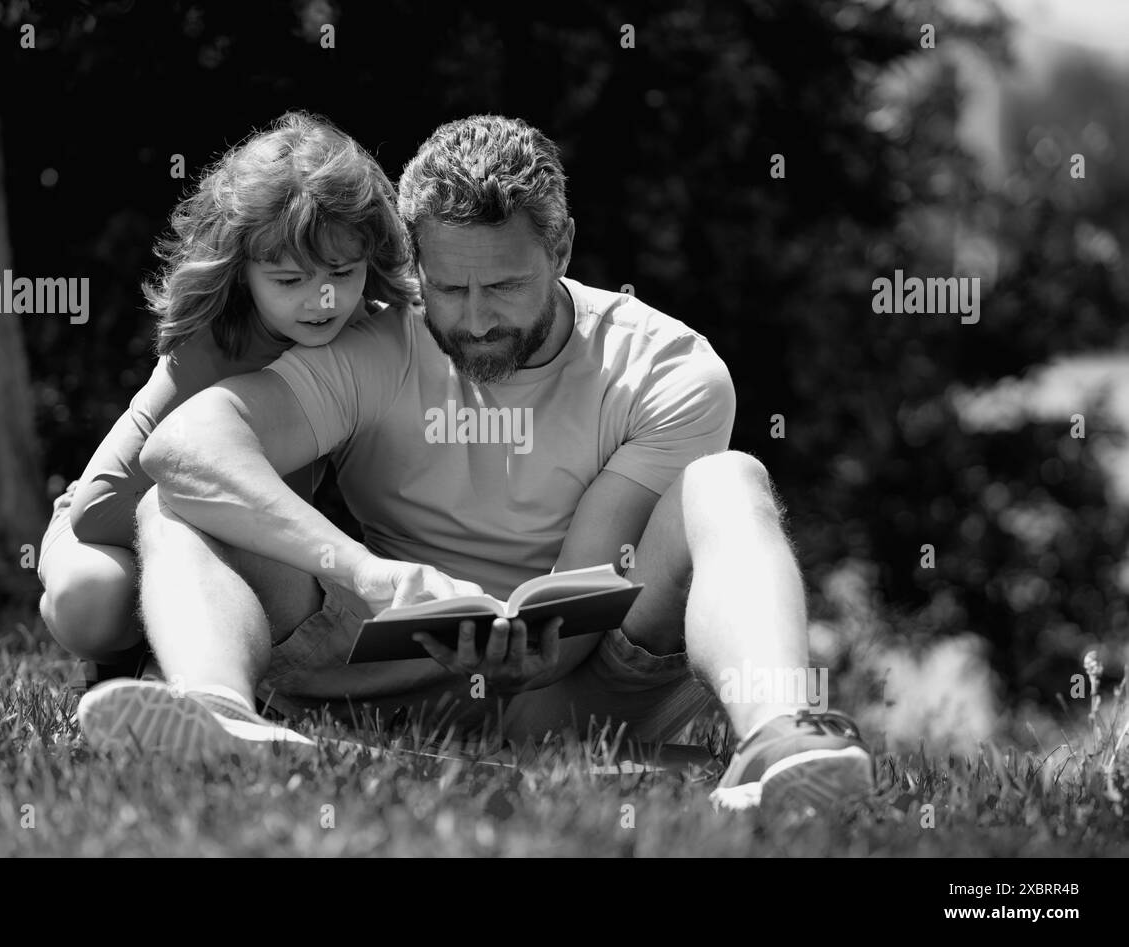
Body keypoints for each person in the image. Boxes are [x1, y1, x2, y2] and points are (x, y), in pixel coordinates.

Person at [79, 114, 876, 814]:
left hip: (571, 691)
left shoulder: (668, 370)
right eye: (450, 287)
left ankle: (781, 735)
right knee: (179, 498)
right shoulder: (380, 339)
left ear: (560, 246)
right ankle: (219, 715)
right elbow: (184, 447)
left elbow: (577, 614)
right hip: (383, 660)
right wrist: (367, 571)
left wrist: (524, 640)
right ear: (416, 263)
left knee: (729, 480)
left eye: (503, 284)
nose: (476, 318)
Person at [36, 111, 417, 694]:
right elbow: (99, 505)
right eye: (288, 280)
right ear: (242, 273)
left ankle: (186, 661)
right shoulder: (211, 346)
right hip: (118, 529)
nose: (323, 298)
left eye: (343, 271)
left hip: (230, 538)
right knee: (89, 598)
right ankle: (132, 663)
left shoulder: (373, 337)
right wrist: (229, 519)